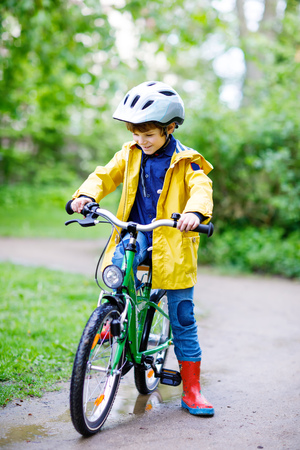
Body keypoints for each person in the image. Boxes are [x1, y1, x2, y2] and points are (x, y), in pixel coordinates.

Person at [71, 81, 214, 416]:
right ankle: (110, 321)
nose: (140, 140)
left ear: (170, 128)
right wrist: (86, 195)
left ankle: (192, 391)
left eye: (148, 134)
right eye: (135, 132)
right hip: (135, 234)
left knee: (182, 318)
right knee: (115, 278)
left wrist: (194, 213)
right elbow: (104, 175)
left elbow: (201, 188)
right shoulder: (130, 153)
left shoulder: (186, 161)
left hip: (173, 242)